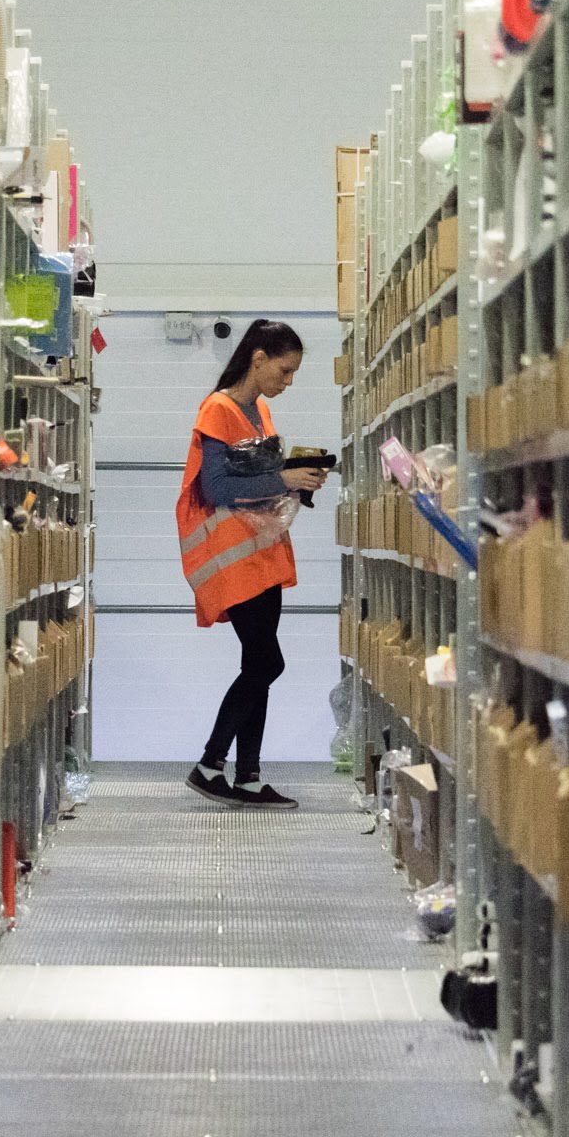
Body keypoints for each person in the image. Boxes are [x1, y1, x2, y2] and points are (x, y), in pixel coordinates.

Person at [176, 319, 329, 809]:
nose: (289, 382)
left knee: (256, 665)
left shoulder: (259, 410)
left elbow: (258, 474)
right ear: (258, 358)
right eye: (284, 371)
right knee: (267, 662)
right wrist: (284, 479)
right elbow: (217, 487)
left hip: (260, 553)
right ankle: (209, 765)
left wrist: (296, 478)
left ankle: (248, 777)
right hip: (232, 557)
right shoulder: (217, 409)